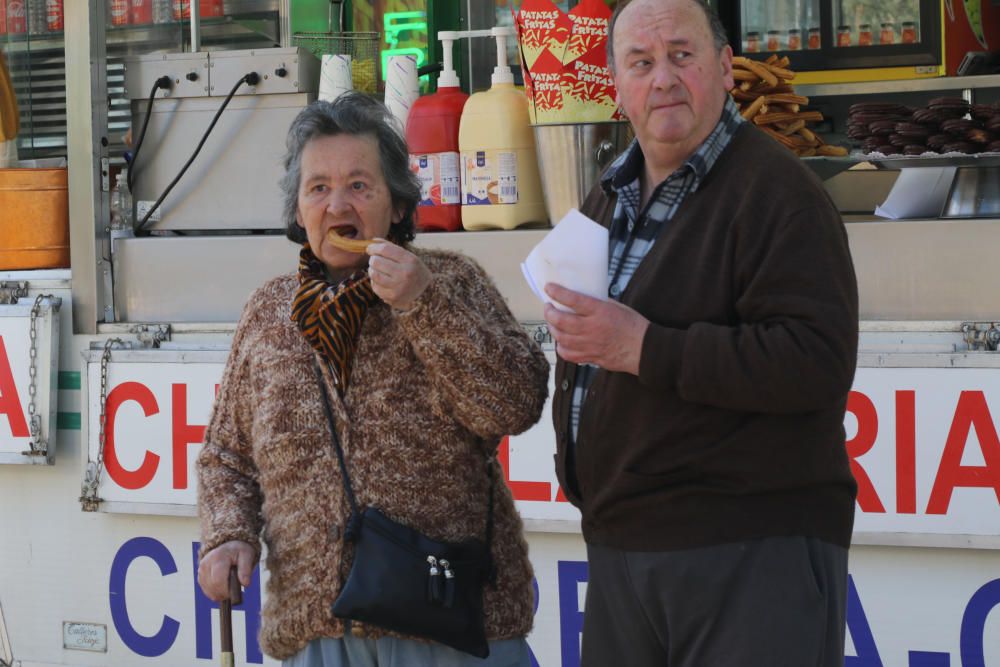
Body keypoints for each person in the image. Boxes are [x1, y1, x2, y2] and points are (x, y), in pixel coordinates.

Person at [543, 1, 859, 665]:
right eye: (642, 62)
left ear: (723, 70)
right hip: (623, 550)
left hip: (748, 552)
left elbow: (814, 361)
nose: (663, 78)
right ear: (617, 86)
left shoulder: (780, 195)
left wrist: (644, 347)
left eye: (681, 56)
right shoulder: (609, 196)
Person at [196, 92, 549, 667]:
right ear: (298, 210)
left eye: (360, 185)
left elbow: (514, 403)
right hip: (318, 631)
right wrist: (229, 533)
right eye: (318, 188)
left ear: (398, 205)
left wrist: (422, 303)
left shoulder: (450, 282)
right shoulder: (268, 313)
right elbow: (226, 456)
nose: (338, 203)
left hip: (449, 624)